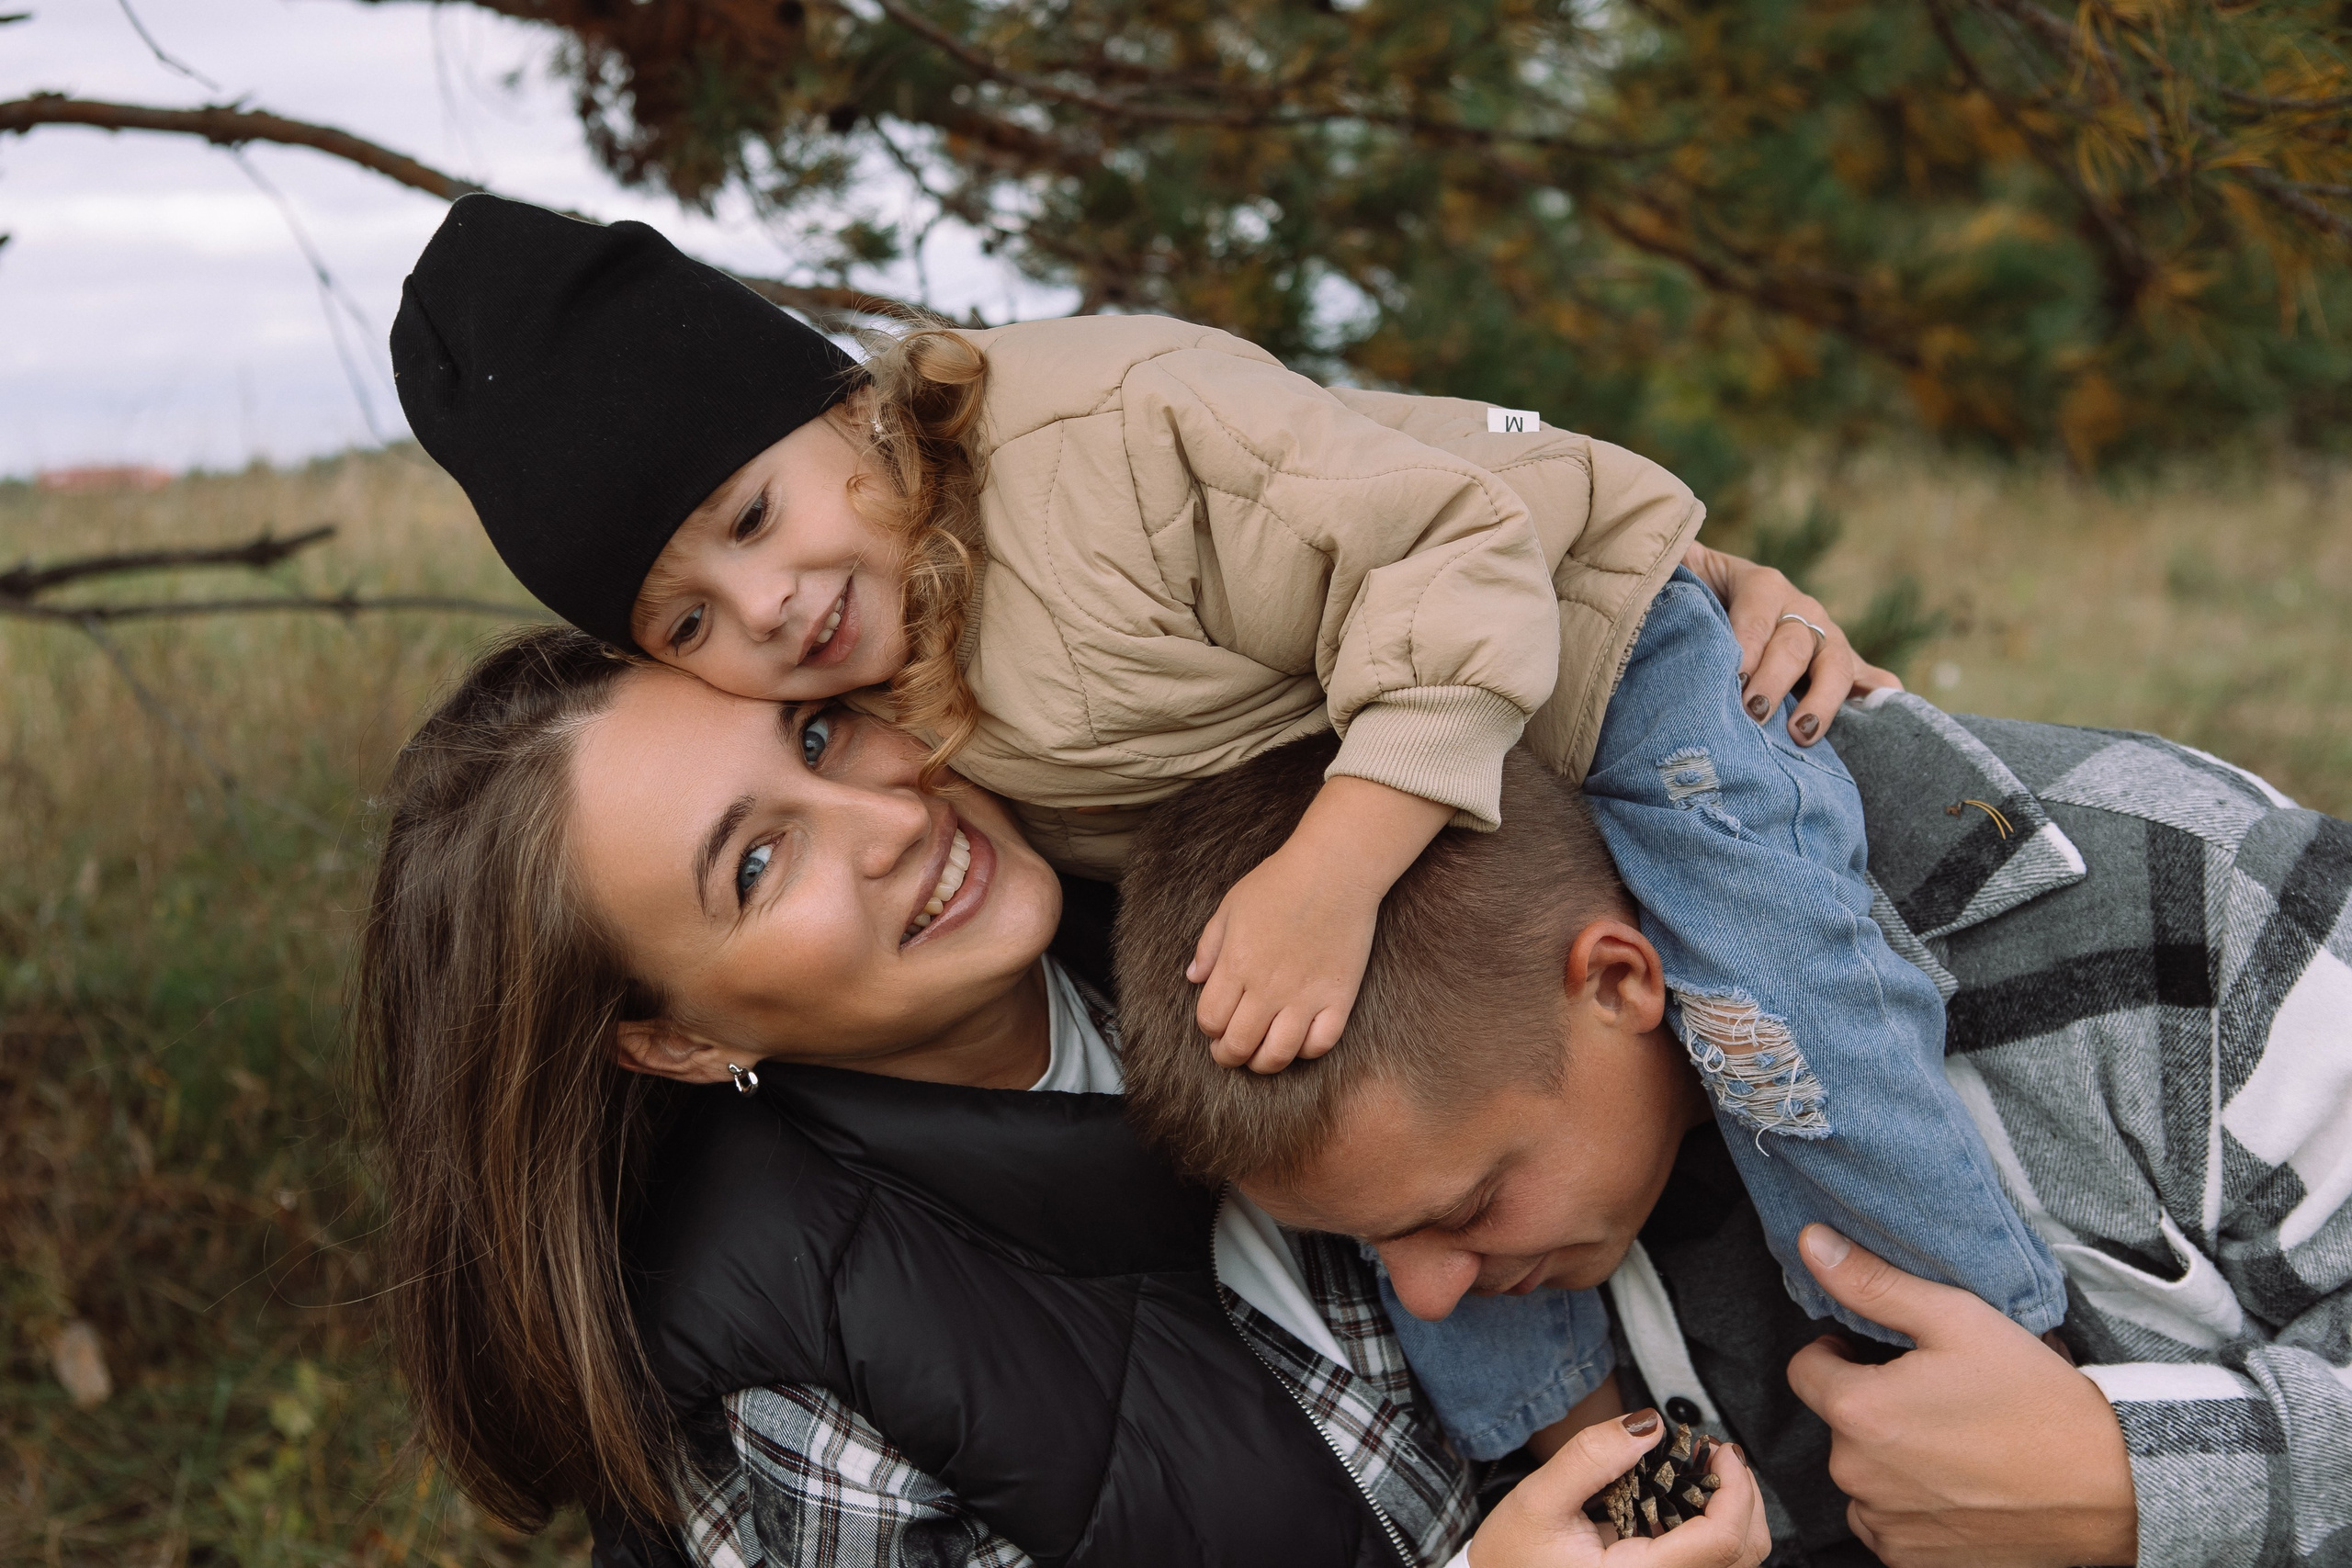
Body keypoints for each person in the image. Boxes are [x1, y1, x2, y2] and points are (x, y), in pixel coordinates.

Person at [389, 193, 2066, 1461]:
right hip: (1364, 770)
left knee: (1770, 979)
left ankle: (1966, 1355)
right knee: (1352, 1156)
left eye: (755, 515)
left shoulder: (1106, 441)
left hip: (1582, 663)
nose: (768, 609)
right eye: (689, 621)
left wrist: (1340, 863)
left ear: (848, 405)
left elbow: (1453, 536)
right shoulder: (893, 661)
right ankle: (1579, 1454)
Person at [355, 624, 1771, 1568]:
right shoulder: (783, 1370)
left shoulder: (1229, 875)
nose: (894, 818)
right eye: (757, 865)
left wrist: (1705, 616)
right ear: (671, 1039)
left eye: (819, 736)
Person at [1117, 695, 2352, 1568]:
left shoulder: (2195, 901)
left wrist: (2132, 1483)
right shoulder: (1362, 1189)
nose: (1428, 1297)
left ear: (1619, 982)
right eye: (1378, 1246)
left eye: (1469, 1209)